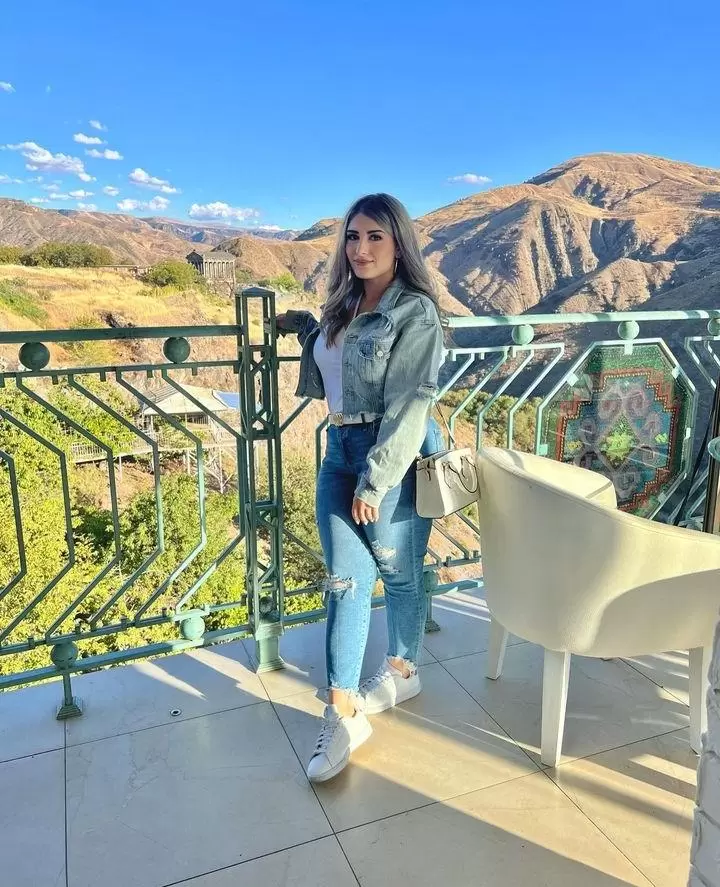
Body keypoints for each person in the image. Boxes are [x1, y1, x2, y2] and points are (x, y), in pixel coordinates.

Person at [277, 193, 445, 783]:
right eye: (353, 236)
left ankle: (403, 670)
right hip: (339, 450)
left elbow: (410, 405)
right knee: (344, 581)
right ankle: (342, 714)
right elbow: (339, 360)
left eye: (375, 236)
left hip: (389, 455)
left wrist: (375, 481)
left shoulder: (415, 313)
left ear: (399, 244)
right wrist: (303, 325)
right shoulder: (343, 305)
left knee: (398, 571)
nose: (361, 248)